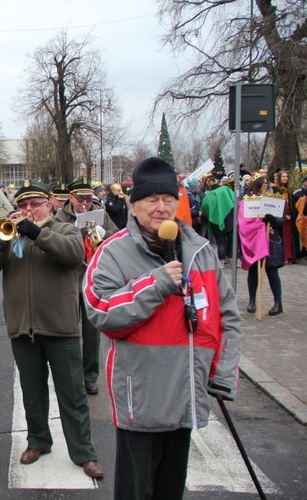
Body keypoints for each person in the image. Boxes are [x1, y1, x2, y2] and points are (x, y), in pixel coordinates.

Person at [83, 157, 241, 499]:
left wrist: (223, 373)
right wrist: (154, 285)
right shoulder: (113, 252)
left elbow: (226, 316)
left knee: (171, 490)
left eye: (168, 200)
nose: (161, 208)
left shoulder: (201, 251)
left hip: (185, 394)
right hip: (140, 400)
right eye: (151, 201)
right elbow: (100, 310)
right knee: (135, 492)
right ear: (134, 206)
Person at [0, 179, 104, 478]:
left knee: (72, 394)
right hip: (23, 327)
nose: (28, 209)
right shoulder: (9, 233)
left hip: (61, 327)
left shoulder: (65, 228)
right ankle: (38, 441)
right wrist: (0, 238)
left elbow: (73, 255)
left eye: (35, 204)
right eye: (22, 205)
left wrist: (37, 232)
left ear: (49, 203)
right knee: (32, 392)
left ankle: (84, 452)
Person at [54, 178, 118, 395]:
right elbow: (54, 245)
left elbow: (117, 238)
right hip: (69, 280)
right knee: (69, 332)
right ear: (71, 198)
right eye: (80, 199)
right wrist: (76, 232)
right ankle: (71, 375)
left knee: (92, 334)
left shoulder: (101, 213)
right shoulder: (60, 217)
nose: (85, 203)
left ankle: (90, 375)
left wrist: (103, 233)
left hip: (93, 280)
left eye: (88, 199)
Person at [239, 174, 285, 316]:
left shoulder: (274, 199)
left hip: (270, 239)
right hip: (254, 241)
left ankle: (278, 302)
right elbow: (243, 221)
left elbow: (281, 220)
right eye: (263, 183)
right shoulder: (248, 201)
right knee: (253, 271)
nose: (266, 185)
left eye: (267, 183)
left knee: (272, 271)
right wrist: (258, 224)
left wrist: (273, 220)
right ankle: (252, 300)